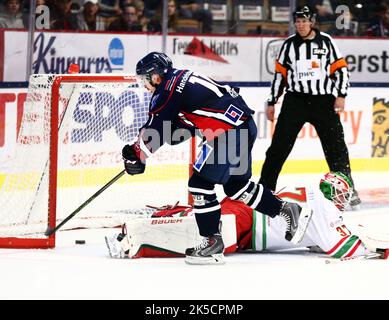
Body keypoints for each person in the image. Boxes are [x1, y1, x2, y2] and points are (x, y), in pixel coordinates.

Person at [120, 51, 313, 265]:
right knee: (236, 186)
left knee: (200, 184)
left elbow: (154, 131)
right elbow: (177, 128)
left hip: (227, 133)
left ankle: (212, 242)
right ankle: (287, 209)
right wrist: (156, 142)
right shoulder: (180, 78)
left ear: (155, 76)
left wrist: (135, 155)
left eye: (144, 79)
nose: (144, 85)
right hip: (243, 126)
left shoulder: (166, 90)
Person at [105, 171, 389, 260]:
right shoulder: (325, 207)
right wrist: (378, 248)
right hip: (247, 221)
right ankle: (133, 238)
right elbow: (339, 248)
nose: (343, 200)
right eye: (341, 194)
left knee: (201, 225)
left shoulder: (313, 192)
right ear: (332, 192)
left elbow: (316, 239)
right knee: (200, 238)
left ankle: (163, 216)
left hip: (247, 216)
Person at [259, 5, 361, 210]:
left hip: (323, 101)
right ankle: (265, 190)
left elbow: (340, 70)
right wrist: (271, 101)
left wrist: (341, 95)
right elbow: (280, 76)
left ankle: (347, 190)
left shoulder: (326, 42)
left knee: (336, 148)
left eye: (304, 21)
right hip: (295, 101)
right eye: (297, 22)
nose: (301, 25)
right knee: (278, 147)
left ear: (312, 22)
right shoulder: (288, 45)